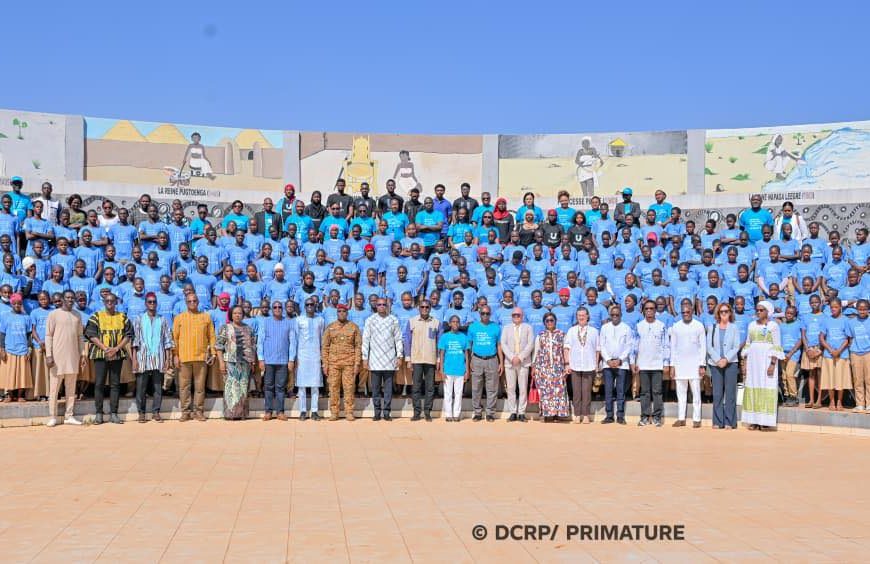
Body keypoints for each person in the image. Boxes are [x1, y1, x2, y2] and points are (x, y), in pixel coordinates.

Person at [84, 293, 133, 424]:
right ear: (104, 302)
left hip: (117, 354)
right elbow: (91, 334)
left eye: (112, 301)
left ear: (116, 302)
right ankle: (99, 413)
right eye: (107, 301)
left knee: (115, 384)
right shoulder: (96, 316)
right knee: (99, 384)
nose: (110, 303)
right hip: (101, 354)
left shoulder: (123, 317)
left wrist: (116, 348)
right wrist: (106, 348)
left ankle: (114, 413)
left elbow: (128, 335)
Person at [130, 292, 174, 423]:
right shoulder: (138, 319)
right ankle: (141, 413)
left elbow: (167, 341)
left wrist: (168, 359)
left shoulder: (163, 320)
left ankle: (156, 412)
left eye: (154, 301)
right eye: (150, 302)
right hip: (142, 357)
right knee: (141, 387)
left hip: (159, 357)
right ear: (145, 303)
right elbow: (135, 342)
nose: (152, 304)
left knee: (157, 387)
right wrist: (134, 360)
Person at [172, 293, 216, 422]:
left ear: (198, 302)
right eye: (190, 301)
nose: (192, 303)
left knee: (200, 387)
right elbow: (174, 338)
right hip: (184, 358)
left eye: (194, 301)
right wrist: (175, 355)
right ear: (186, 303)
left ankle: (198, 412)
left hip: (201, 357)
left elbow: (212, 337)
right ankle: (185, 412)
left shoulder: (205, 317)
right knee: (184, 387)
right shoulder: (179, 318)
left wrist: (213, 353)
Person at [44, 290, 85, 427]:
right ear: (62, 299)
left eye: (72, 298)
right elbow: (48, 336)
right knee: (54, 389)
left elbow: (80, 336)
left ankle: (69, 415)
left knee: (71, 388)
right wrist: (49, 355)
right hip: (56, 358)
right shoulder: (54, 314)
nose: (70, 300)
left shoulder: (77, 315)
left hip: (73, 357)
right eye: (67, 297)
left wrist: (83, 354)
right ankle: (52, 416)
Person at [741, 301, 784, 430]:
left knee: (766, 386)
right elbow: (748, 344)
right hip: (754, 362)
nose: (758, 312)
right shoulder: (751, 325)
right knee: (754, 386)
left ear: (767, 312)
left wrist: (772, 364)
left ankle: (765, 421)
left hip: (767, 361)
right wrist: (745, 364)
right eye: (757, 310)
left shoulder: (773, 326)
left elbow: (777, 346)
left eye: (761, 310)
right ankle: (754, 420)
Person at [361, 298, 403, 421]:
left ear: (387, 305)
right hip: (374, 360)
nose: (381, 306)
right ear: (376, 306)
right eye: (379, 304)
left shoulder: (393, 320)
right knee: (375, 389)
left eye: (384, 304)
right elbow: (366, 339)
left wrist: (399, 355)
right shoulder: (370, 320)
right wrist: (365, 358)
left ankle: (387, 413)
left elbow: (398, 339)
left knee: (388, 389)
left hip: (390, 360)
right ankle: (377, 412)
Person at [257, 300, 298, 421]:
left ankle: (280, 412)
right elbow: (260, 342)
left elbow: (293, 342)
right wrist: (261, 359)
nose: (277, 309)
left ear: (283, 308)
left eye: (280, 307)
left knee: (280, 388)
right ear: (271, 309)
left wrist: (291, 359)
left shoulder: (288, 323)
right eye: (275, 307)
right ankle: (268, 411)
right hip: (268, 361)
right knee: (268, 387)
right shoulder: (265, 322)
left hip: (283, 361)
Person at [215, 305, 257, 420]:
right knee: (231, 388)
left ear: (243, 315)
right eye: (235, 313)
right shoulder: (225, 328)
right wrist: (221, 363)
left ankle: (242, 414)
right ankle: (231, 414)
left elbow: (253, 346)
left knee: (243, 388)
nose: (237, 315)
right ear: (231, 315)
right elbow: (219, 346)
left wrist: (252, 362)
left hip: (245, 363)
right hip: (230, 363)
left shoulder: (249, 329)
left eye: (239, 313)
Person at [669, 302, 707, 428]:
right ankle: (681, 418)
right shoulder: (676, 327)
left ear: (692, 311)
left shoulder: (699, 326)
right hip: (680, 365)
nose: (686, 314)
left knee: (696, 393)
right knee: (681, 394)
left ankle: (697, 419)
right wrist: (672, 366)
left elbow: (703, 347)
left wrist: (702, 365)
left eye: (688, 312)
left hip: (695, 365)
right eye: (683, 312)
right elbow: (672, 348)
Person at [322, 304, 362, 421]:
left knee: (349, 388)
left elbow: (358, 346)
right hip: (333, 363)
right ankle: (334, 412)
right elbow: (325, 347)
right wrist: (325, 364)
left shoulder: (354, 327)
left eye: (344, 311)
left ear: (347, 313)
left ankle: (349, 412)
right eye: (339, 311)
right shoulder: (330, 327)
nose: (341, 313)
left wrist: (357, 364)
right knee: (333, 388)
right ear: (337, 313)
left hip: (349, 363)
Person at [706, 302, 741, 429]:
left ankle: (729, 421)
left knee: (730, 393)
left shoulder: (734, 328)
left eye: (726, 311)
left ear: (730, 313)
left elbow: (736, 346)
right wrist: (718, 360)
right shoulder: (712, 327)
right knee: (717, 393)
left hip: (730, 363)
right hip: (715, 364)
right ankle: (717, 421)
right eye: (722, 312)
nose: (724, 314)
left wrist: (726, 359)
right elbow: (709, 346)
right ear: (718, 313)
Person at [634, 301, 669, 427]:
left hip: (657, 364)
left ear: (655, 310)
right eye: (647, 308)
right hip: (642, 364)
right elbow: (635, 345)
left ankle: (657, 417)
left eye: (652, 308)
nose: (649, 310)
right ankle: (644, 416)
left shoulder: (661, 326)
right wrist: (634, 362)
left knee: (657, 392)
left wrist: (666, 363)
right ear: (643, 310)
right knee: (644, 392)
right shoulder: (639, 326)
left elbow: (666, 345)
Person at [531, 313, 570, 422]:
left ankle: (557, 414)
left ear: (555, 321)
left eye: (551, 320)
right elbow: (536, 351)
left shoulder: (562, 334)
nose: (549, 322)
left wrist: (567, 365)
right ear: (544, 322)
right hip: (543, 368)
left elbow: (565, 351)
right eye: (547, 321)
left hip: (558, 367)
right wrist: (534, 366)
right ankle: (546, 414)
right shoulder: (540, 335)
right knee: (545, 392)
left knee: (558, 391)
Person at [563, 308, 599, 424]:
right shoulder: (572, 330)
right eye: (579, 315)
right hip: (575, 365)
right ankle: (577, 414)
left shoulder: (594, 331)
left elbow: (597, 349)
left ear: (588, 316)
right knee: (577, 392)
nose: (581, 317)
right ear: (576, 316)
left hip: (589, 365)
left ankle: (586, 415)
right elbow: (566, 348)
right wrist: (567, 364)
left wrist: (596, 364)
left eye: (583, 315)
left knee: (587, 392)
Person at [467, 305, 503, 422]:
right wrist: (469, 361)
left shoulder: (496, 327)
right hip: (477, 360)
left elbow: (499, 346)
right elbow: (469, 346)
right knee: (476, 387)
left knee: (492, 388)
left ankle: (490, 413)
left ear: (490, 314)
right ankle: (477, 412)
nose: (485, 315)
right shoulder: (473, 327)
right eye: (483, 313)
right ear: (479, 314)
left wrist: (501, 363)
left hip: (492, 360)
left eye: (487, 313)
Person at [407, 300, 441, 421]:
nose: (425, 309)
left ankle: (427, 412)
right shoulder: (412, 321)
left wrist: (438, 360)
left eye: (427, 307)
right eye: (422, 307)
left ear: (430, 308)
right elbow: (408, 341)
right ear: (418, 308)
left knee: (430, 387)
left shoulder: (436, 322)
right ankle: (416, 413)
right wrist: (408, 359)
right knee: (416, 387)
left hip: (430, 359)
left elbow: (439, 343)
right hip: (416, 359)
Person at [500, 306, 534, 422]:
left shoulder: (528, 327)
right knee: (510, 388)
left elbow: (530, 344)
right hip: (510, 362)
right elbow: (503, 344)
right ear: (511, 316)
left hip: (523, 362)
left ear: (522, 316)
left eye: (518, 315)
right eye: (514, 315)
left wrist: (520, 357)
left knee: (523, 388)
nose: (516, 317)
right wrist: (512, 357)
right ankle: (513, 412)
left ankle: (522, 412)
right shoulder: (506, 328)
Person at [599, 305, 632, 424]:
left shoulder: (626, 328)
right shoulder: (604, 328)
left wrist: (620, 360)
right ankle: (609, 415)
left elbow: (629, 346)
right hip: (607, 364)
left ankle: (620, 416)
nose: (615, 317)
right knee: (608, 390)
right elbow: (602, 345)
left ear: (621, 315)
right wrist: (608, 359)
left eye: (617, 315)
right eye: (612, 315)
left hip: (621, 364)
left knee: (620, 391)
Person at [819, 298, 853, 412]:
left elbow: (848, 339)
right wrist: (830, 349)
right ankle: (832, 401)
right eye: (831, 307)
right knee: (830, 379)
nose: (833, 309)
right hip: (829, 355)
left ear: (840, 307)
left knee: (840, 378)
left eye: (836, 307)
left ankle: (839, 401)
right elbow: (821, 338)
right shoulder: (826, 320)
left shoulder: (846, 320)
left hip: (841, 355)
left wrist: (838, 350)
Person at [0, 294, 33, 403]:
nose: (17, 305)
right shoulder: (5, 316)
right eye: (15, 303)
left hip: (23, 349)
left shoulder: (26, 317)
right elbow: (2, 334)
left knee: (22, 375)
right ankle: (9, 395)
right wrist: (2, 349)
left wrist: (29, 348)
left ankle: (20, 395)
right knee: (9, 374)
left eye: (19, 303)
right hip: (10, 349)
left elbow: (29, 335)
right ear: (11, 304)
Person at [296, 297, 325, 421]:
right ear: (304, 306)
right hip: (302, 354)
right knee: (301, 385)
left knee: (315, 384)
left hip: (315, 355)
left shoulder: (320, 320)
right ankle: (302, 411)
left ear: (315, 305)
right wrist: (295, 357)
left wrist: (322, 356)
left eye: (312, 304)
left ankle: (314, 411)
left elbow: (322, 338)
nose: (309, 306)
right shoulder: (299, 320)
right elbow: (296, 339)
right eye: (307, 304)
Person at [438, 315, 469, 422]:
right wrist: (441, 370)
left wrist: (467, 370)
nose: (455, 324)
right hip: (448, 369)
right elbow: (441, 354)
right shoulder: (445, 337)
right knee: (448, 393)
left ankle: (456, 414)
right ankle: (448, 414)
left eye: (457, 322)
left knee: (458, 393)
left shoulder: (463, 337)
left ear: (459, 324)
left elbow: (466, 354)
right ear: (450, 323)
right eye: (453, 322)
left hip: (460, 369)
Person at [849, 300, 870, 412]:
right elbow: (850, 338)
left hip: (868, 353)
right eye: (860, 309)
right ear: (856, 309)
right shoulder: (851, 322)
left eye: (864, 309)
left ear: (868, 309)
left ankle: (869, 404)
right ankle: (860, 404)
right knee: (858, 380)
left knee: (869, 379)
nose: (862, 311)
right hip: (855, 353)